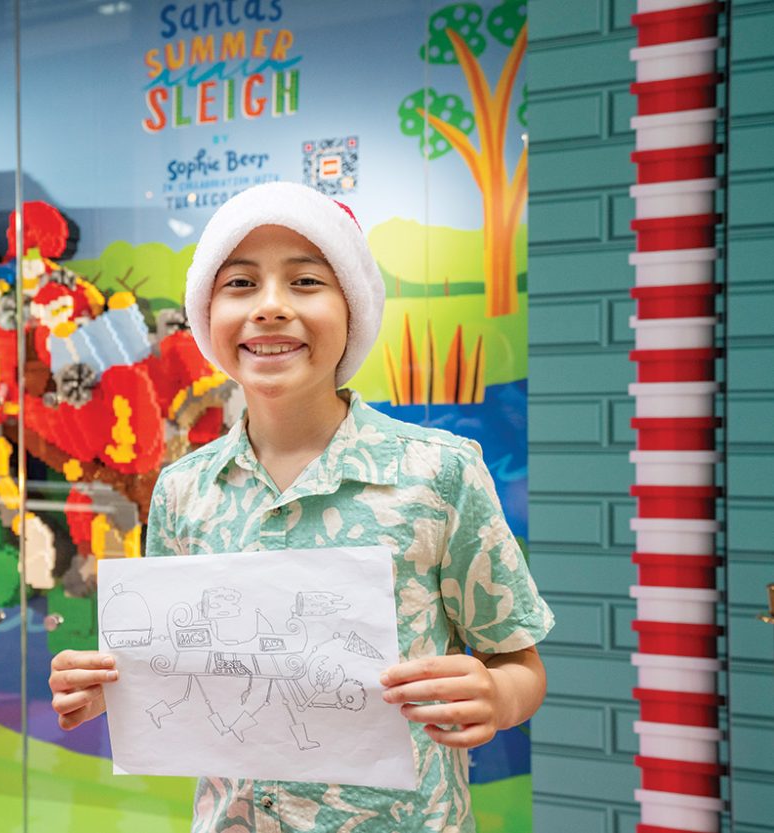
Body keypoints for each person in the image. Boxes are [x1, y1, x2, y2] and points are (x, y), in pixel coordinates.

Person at [48, 181, 554, 832]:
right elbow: (188, 673)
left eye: (307, 281)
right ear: (207, 314)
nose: (270, 307)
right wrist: (108, 684)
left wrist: (498, 696)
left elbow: (519, 663)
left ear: (353, 308)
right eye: (240, 284)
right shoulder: (181, 489)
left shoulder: (438, 473)